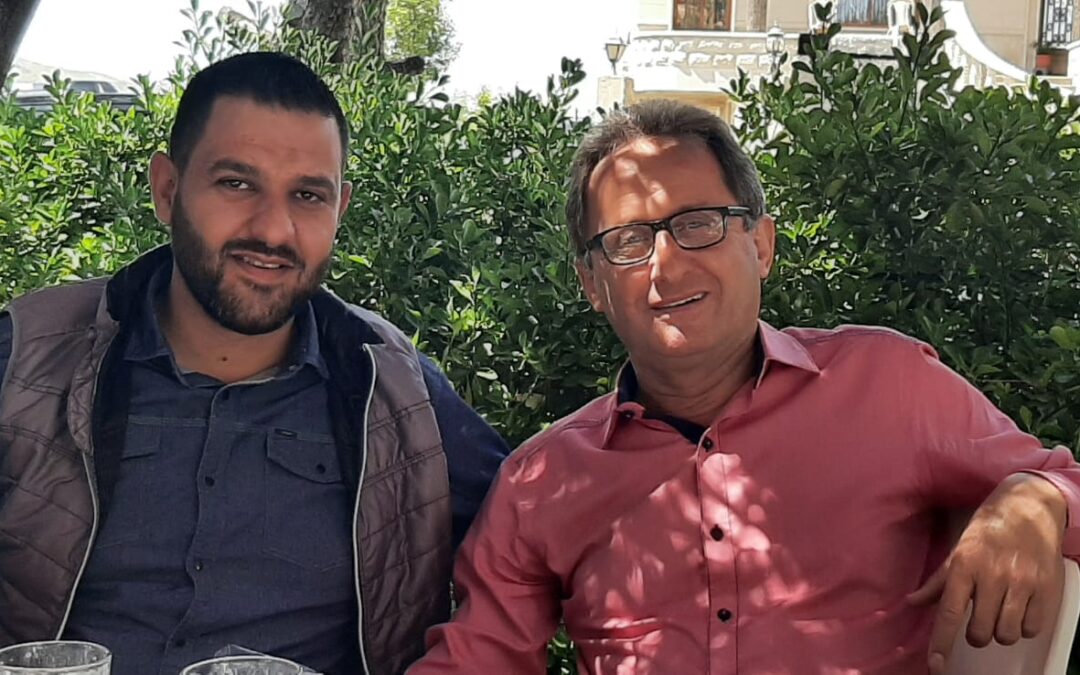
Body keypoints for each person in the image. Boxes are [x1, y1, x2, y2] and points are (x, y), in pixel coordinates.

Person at [408, 99, 1080, 674]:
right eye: (628, 241)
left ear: (761, 245)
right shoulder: (541, 484)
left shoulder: (887, 386)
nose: (667, 265)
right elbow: (478, 658)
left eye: (698, 223)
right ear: (592, 284)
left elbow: (1067, 483)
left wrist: (1038, 497)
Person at [0, 51, 507, 675]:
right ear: (167, 189)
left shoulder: (396, 389)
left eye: (308, 195)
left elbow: (536, 540)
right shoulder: (29, 358)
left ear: (339, 211)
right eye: (237, 184)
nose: (274, 230)